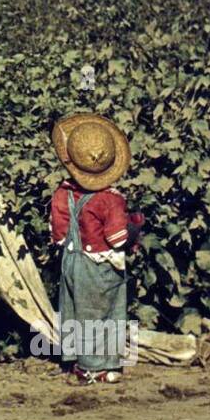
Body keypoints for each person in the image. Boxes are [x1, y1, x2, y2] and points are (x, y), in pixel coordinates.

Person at [49, 113, 141, 385]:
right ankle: (97, 368)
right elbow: (116, 238)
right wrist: (134, 226)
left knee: (74, 309)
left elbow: (58, 233)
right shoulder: (108, 200)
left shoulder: (62, 193)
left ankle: (77, 361)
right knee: (102, 313)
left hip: (71, 260)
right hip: (97, 265)